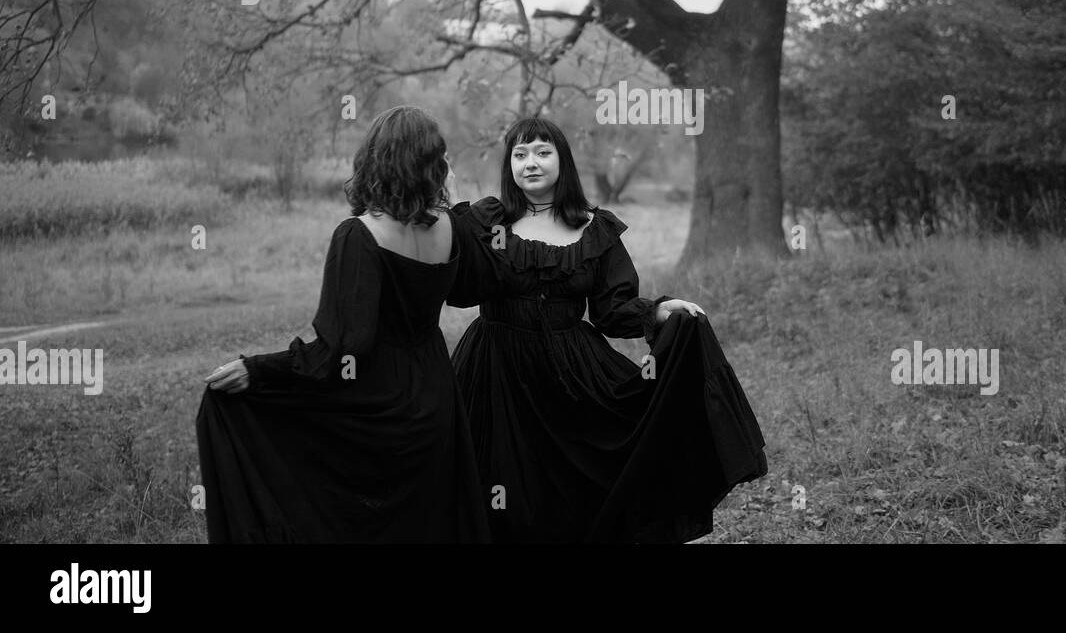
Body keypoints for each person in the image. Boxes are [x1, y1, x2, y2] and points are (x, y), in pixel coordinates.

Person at [447, 116, 767, 543]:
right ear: (509, 165)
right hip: (495, 372)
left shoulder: (593, 228)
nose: (530, 163)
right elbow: (461, 290)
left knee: (576, 483)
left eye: (543, 152)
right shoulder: (489, 222)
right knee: (500, 489)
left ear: (564, 161)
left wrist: (660, 311)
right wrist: (452, 211)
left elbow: (611, 310)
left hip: (569, 374)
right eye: (520, 155)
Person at [195, 106, 489, 543]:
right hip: (435, 396)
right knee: (422, 520)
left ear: (376, 159)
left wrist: (258, 370)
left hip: (377, 401)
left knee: (359, 517)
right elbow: (469, 291)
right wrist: (458, 206)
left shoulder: (358, 234)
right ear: (434, 165)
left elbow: (343, 351)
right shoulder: (452, 228)